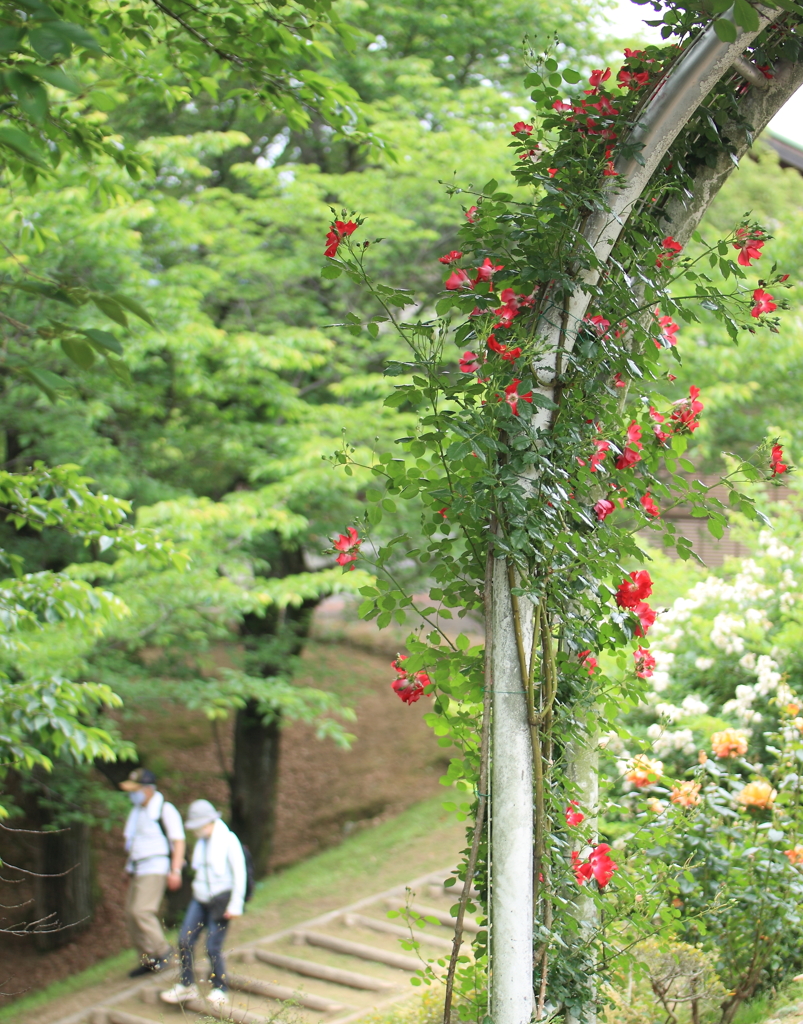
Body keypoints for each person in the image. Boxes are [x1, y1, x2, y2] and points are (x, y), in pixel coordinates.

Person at [160, 799, 246, 1008]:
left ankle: (219, 987)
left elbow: (240, 874)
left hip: (220, 899)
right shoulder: (202, 843)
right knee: (184, 940)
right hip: (200, 898)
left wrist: (235, 904)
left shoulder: (228, 840)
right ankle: (187, 984)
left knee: (212, 946)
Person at [120, 768, 186, 977]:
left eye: (136, 789)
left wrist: (175, 870)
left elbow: (178, 841)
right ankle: (148, 958)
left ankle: (163, 951)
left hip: (155, 867)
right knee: (131, 914)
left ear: (148, 790)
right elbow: (135, 843)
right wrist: (128, 869)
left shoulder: (164, 810)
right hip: (139, 868)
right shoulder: (137, 812)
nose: (133, 794)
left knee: (142, 911)